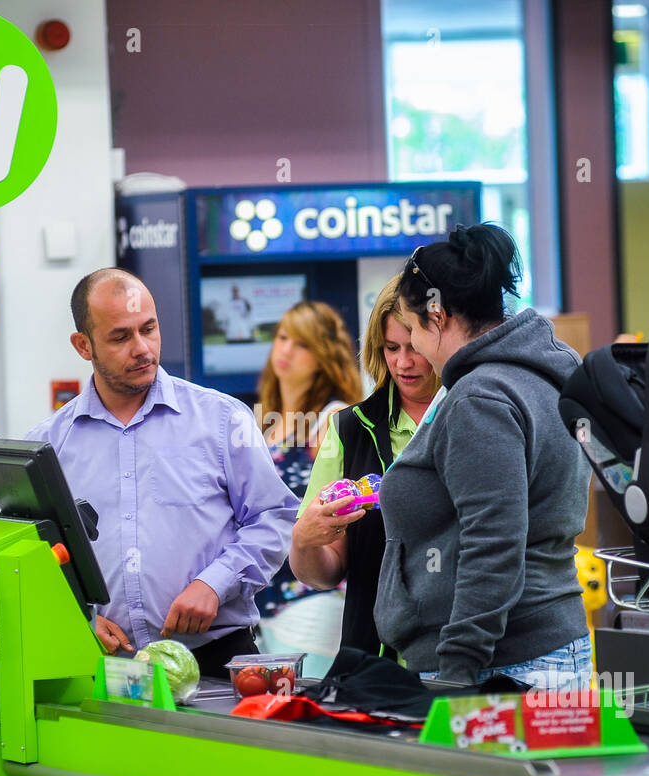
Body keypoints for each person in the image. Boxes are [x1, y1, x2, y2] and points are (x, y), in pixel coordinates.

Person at [25, 268, 298, 677]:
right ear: (83, 346)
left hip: (216, 657)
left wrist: (215, 583)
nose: (142, 348)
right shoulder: (48, 445)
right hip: (105, 666)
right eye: (120, 337)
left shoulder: (221, 419)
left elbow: (273, 517)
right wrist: (77, 614)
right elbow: (33, 555)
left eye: (148, 329)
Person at [373, 224, 593, 690]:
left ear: (437, 314)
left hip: (499, 665)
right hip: (536, 648)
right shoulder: (535, 376)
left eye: (412, 332)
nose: (411, 350)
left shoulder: (481, 399)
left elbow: (493, 543)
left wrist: (458, 668)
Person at [290, 275, 440, 659]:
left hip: (462, 656)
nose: (403, 363)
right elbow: (324, 572)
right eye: (391, 347)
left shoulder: (475, 416)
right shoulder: (347, 429)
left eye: (415, 348)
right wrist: (305, 542)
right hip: (372, 661)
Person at [252, 301, 362, 666]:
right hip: (263, 605)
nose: (286, 350)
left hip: (310, 601)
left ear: (323, 357)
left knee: (302, 717)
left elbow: (345, 512)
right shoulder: (264, 421)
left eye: (302, 344)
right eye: (283, 337)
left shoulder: (331, 418)